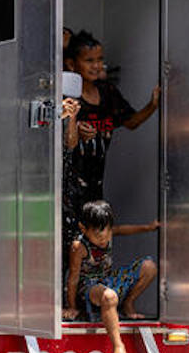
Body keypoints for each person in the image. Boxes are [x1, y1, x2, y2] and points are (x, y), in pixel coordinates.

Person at [61, 30, 160, 254]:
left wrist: (153, 104)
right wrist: (75, 127)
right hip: (68, 186)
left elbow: (131, 122)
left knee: (94, 242)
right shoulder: (67, 96)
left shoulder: (107, 92)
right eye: (89, 60)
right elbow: (66, 143)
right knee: (71, 246)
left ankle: (86, 288)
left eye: (100, 60)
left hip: (94, 184)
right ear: (72, 64)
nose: (97, 66)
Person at [64, 200, 159, 353]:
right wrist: (72, 307)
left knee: (149, 267)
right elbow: (73, 278)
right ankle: (118, 346)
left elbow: (126, 230)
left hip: (107, 280)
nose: (104, 238)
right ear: (83, 229)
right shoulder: (79, 247)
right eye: (98, 235)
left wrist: (148, 227)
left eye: (108, 233)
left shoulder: (109, 232)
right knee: (109, 297)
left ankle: (128, 303)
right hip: (88, 287)